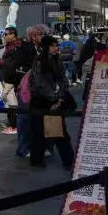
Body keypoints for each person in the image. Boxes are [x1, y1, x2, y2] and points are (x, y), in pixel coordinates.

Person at [29, 35, 75, 169]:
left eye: (57, 45)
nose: (56, 48)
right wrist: (54, 98)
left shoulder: (58, 61)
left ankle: (68, 162)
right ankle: (37, 160)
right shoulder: (39, 61)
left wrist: (59, 98)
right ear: (45, 47)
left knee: (58, 133)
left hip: (55, 102)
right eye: (53, 45)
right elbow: (39, 84)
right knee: (38, 132)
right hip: (41, 101)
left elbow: (64, 81)